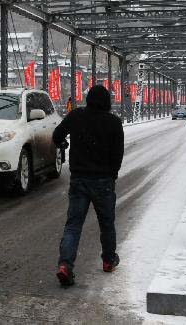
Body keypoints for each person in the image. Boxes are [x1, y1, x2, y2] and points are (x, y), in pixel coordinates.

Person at [52, 85, 124, 287]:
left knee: (73, 226)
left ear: (88, 99)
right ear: (107, 102)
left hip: (79, 179)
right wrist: (111, 176)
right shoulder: (114, 122)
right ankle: (109, 261)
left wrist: (65, 145)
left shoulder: (76, 116)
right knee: (107, 224)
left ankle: (65, 266)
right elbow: (118, 154)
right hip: (103, 182)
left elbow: (57, 136)